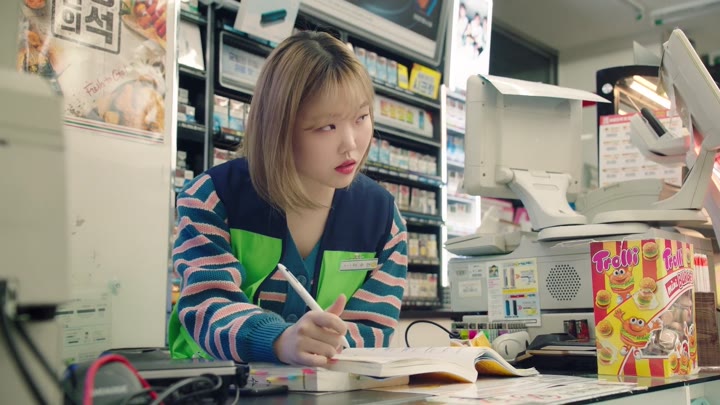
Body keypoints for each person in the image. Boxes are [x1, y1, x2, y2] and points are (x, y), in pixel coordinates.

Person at [167, 31, 408, 367]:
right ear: (278, 127)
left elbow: (374, 329)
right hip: (210, 383)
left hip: (327, 388)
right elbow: (208, 303)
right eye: (326, 127)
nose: (351, 143)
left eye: (361, 118)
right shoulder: (211, 198)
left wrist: (320, 343)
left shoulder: (382, 218)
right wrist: (279, 339)